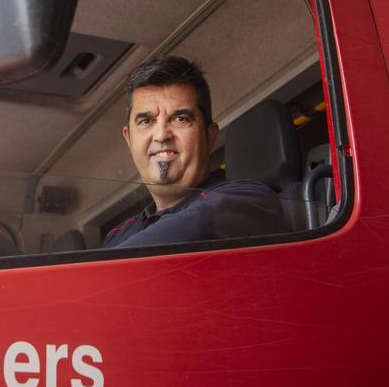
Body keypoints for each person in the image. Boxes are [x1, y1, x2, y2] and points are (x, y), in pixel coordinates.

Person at [102, 55, 285, 249]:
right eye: (146, 122)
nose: (162, 135)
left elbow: (198, 224)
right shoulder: (117, 236)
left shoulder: (249, 199)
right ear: (129, 140)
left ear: (210, 135)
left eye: (180, 119)